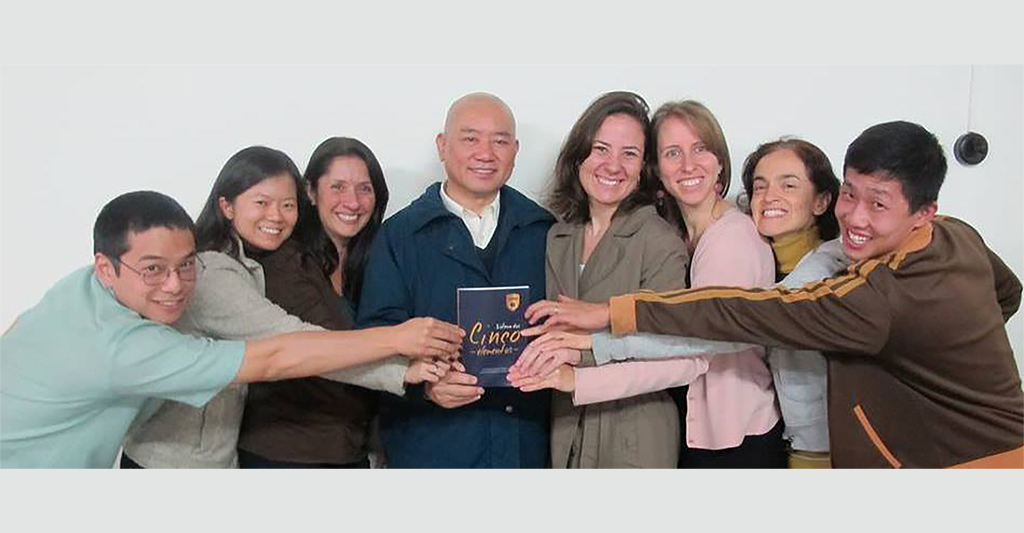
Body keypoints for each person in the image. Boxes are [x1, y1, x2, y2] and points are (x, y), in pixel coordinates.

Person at [528, 121, 1024, 468]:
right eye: (851, 194)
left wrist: (608, 316)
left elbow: (743, 315)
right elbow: (1008, 293)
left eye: (878, 204)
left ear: (923, 211)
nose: (855, 216)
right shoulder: (955, 234)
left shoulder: (875, 297)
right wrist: (929, 359)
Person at [0, 191, 462, 468]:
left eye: (185, 265)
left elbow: (19, 328)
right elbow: (274, 355)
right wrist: (398, 339)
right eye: (153, 269)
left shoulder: (81, 289)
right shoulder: (123, 347)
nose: (175, 285)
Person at [121, 146, 450, 469]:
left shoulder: (251, 265)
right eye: (261, 203)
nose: (276, 216)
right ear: (227, 206)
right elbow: (289, 343)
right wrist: (401, 366)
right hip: (168, 462)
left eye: (287, 205)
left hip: (216, 459)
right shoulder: (213, 273)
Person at [357, 92, 555, 468]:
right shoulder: (400, 236)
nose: (485, 153)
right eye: (470, 138)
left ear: (515, 151)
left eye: (500, 141)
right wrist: (423, 387)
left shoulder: (545, 232)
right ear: (442, 146)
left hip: (525, 445)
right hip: (432, 447)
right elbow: (373, 338)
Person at [516, 91, 691, 468]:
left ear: (644, 167)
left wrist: (579, 350)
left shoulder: (659, 242)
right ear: (579, 155)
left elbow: (668, 348)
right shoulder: (558, 237)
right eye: (600, 149)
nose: (613, 165)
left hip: (634, 430)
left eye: (629, 153)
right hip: (566, 426)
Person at [236, 137, 392, 468]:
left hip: (350, 451)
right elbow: (332, 351)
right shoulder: (285, 261)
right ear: (310, 192)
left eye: (364, 188)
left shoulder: (378, 261)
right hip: (282, 454)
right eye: (338, 187)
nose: (352, 201)